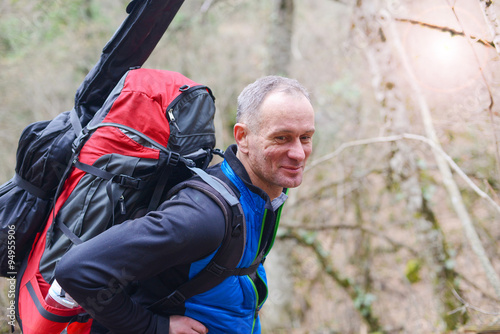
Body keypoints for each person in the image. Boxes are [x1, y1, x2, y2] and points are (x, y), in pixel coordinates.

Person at [55, 75, 316, 334]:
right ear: (243, 137)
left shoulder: (260, 198)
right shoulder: (204, 217)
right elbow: (76, 271)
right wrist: (154, 326)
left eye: (305, 137)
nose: (298, 153)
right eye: (281, 138)